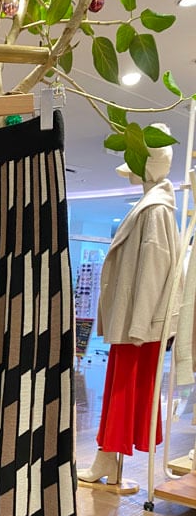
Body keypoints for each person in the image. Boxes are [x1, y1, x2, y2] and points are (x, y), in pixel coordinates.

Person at [78, 124, 181, 484]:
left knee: (124, 390)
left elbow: (154, 269)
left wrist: (139, 324)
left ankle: (108, 460)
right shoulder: (153, 207)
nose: (130, 177)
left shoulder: (155, 211)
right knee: (120, 389)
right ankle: (108, 460)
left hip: (138, 321)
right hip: (135, 319)